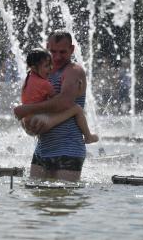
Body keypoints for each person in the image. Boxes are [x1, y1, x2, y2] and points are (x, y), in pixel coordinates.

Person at [14, 30, 94, 182]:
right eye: (53, 51)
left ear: (72, 49)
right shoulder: (42, 73)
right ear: (47, 48)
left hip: (69, 149)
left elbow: (64, 102)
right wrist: (27, 122)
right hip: (42, 150)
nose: (57, 57)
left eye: (62, 52)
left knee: (64, 201)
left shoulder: (74, 71)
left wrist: (26, 110)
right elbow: (30, 101)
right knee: (39, 201)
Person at [21, 48, 98, 144]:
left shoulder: (27, 80)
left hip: (26, 123)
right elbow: (59, 102)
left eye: (50, 65)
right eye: (46, 66)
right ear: (33, 68)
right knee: (77, 109)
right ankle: (88, 136)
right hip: (38, 122)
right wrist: (75, 93)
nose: (50, 68)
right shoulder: (44, 84)